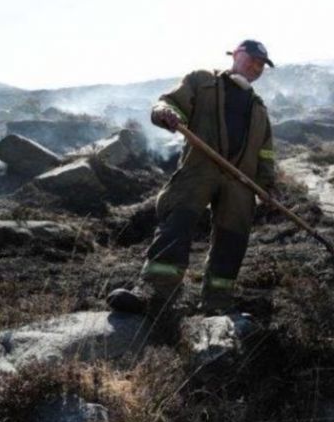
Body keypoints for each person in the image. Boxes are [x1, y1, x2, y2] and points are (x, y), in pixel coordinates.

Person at [107, 40, 276, 316]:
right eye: (252, 60)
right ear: (235, 54)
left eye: (261, 65)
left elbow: (266, 152)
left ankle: (217, 303)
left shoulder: (259, 108)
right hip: (199, 168)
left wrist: (267, 185)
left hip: (241, 182)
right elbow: (170, 102)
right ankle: (154, 294)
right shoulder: (202, 81)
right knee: (177, 223)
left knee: (233, 240)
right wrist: (167, 113)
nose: (256, 67)